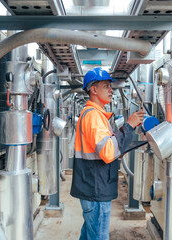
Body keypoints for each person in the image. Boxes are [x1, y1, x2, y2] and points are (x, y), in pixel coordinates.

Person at [70, 67, 144, 240]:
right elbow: (107, 152)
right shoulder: (93, 116)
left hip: (93, 186)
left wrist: (123, 145)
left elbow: (106, 148)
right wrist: (129, 126)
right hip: (96, 189)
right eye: (106, 86)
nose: (111, 90)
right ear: (94, 90)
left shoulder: (96, 115)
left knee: (89, 235)